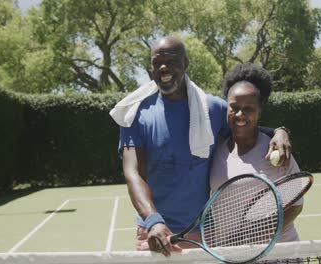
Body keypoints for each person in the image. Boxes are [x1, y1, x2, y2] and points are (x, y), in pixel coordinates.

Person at [109, 36, 292, 256]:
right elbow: (133, 173)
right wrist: (153, 221)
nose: (164, 67)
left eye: (171, 61)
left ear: (186, 63)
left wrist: (279, 132)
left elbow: (244, 125)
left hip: (202, 235)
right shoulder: (134, 113)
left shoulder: (211, 108)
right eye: (157, 63)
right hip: (152, 235)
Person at [209, 62, 303, 243]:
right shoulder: (217, 150)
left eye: (248, 108)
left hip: (279, 256)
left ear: (259, 110)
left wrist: (249, 238)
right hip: (232, 254)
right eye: (234, 107)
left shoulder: (277, 150)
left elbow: (295, 206)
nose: (239, 114)